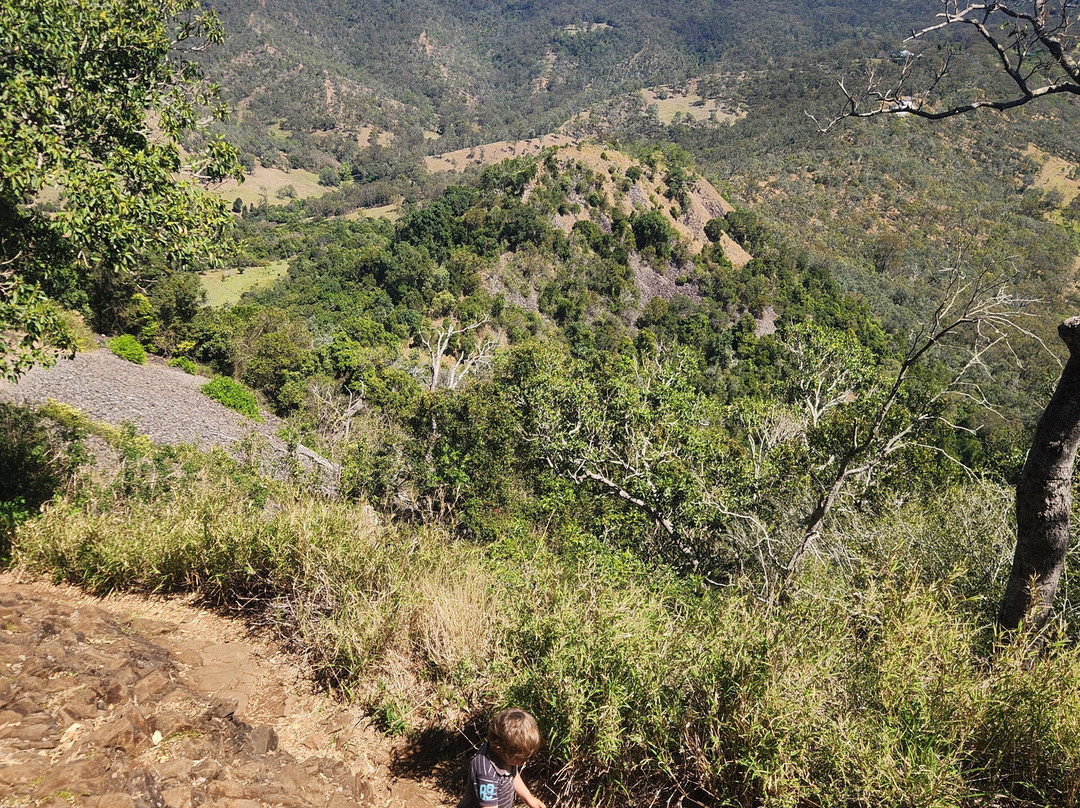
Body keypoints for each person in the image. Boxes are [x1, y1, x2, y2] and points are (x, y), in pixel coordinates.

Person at [459, 708, 547, 808]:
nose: (525, 761)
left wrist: (529, 799)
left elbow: (512, 775)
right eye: (520, 758)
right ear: (500, 749)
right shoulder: (486, 772)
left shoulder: (505, 756)